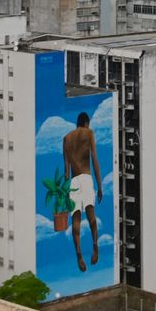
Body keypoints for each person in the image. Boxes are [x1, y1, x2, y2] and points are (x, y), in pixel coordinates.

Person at [61, 112, 103, 272]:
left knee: (76, 220)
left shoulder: (66, 139)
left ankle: (79, 254)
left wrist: (65, 192)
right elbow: (95, 159)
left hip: (73, 181)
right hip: (86, 178)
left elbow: (66, 170)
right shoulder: (89, 133)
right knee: (91, 216)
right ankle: (95, 246)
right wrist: (100, 186)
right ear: (86, 123)